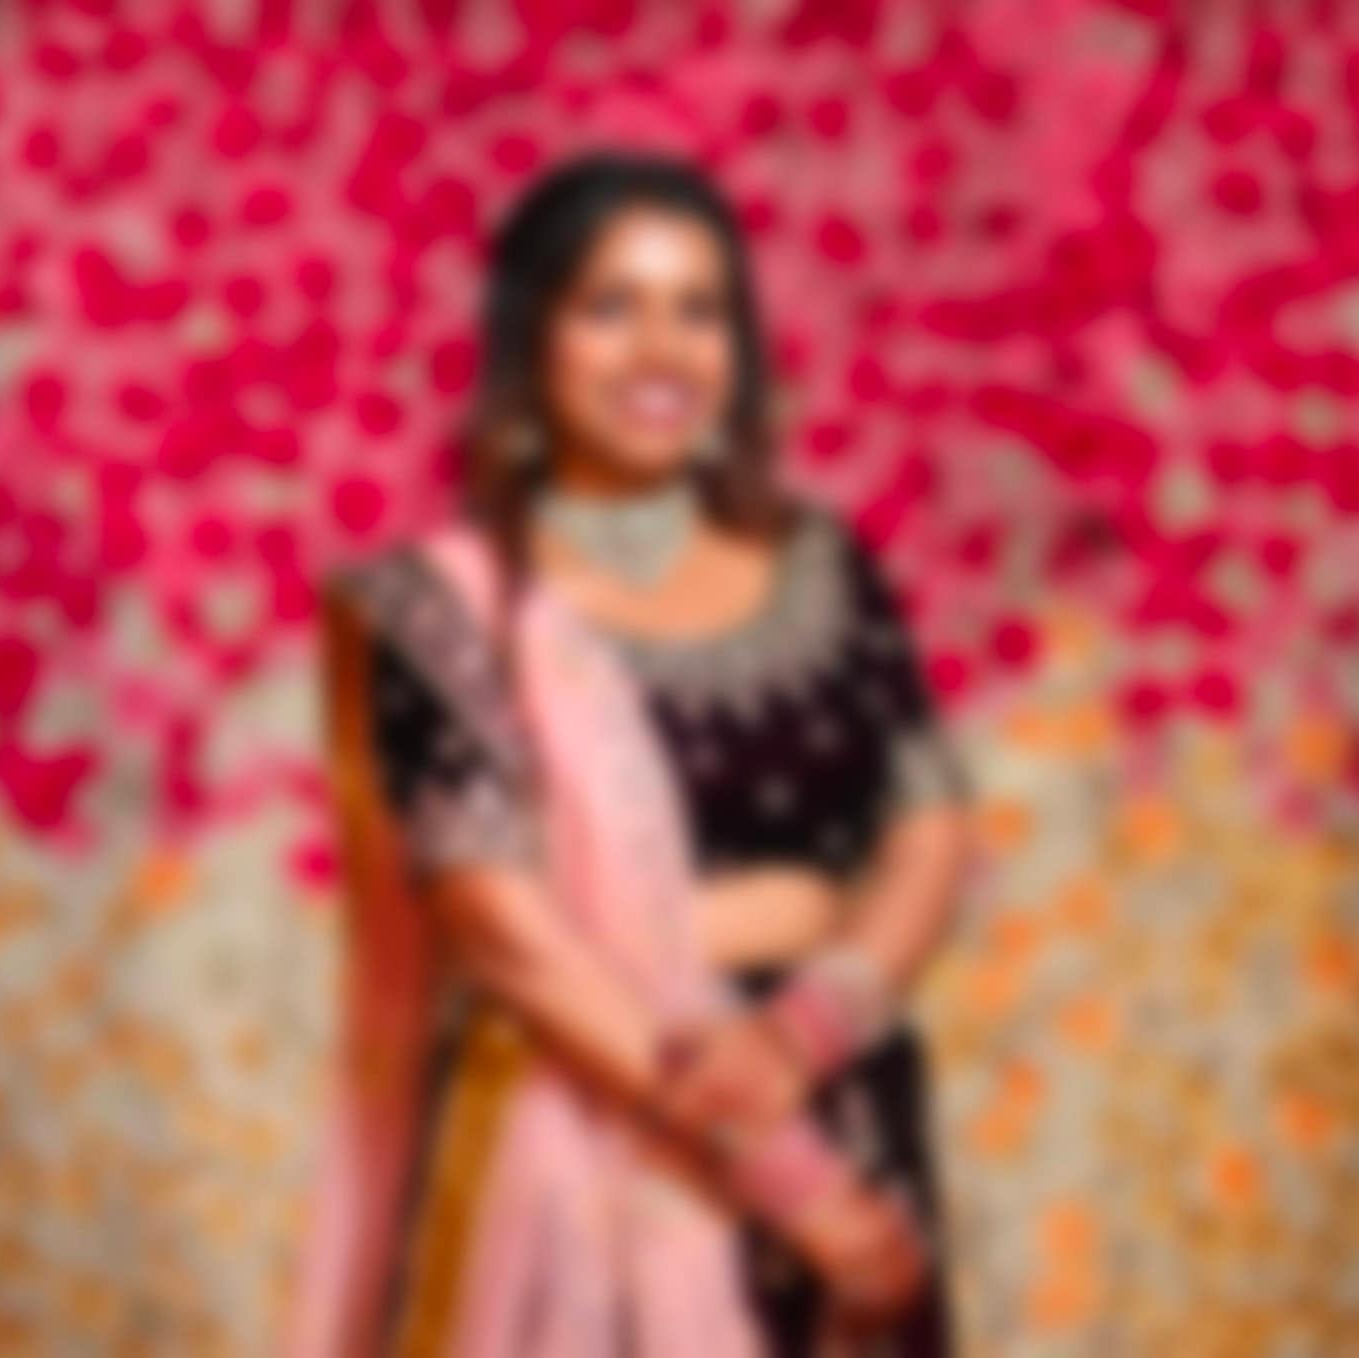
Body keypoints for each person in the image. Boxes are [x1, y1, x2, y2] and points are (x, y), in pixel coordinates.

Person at [285, 150, 975, 1357]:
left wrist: (805, 1032)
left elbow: (931, 830)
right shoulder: (450, 610)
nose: (664, 350)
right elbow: (507, 932)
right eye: (611, 307)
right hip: (601, 1121)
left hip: (846, 1103)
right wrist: (783, 1171)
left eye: (699, 311)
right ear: (531, 339)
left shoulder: (825, 564)